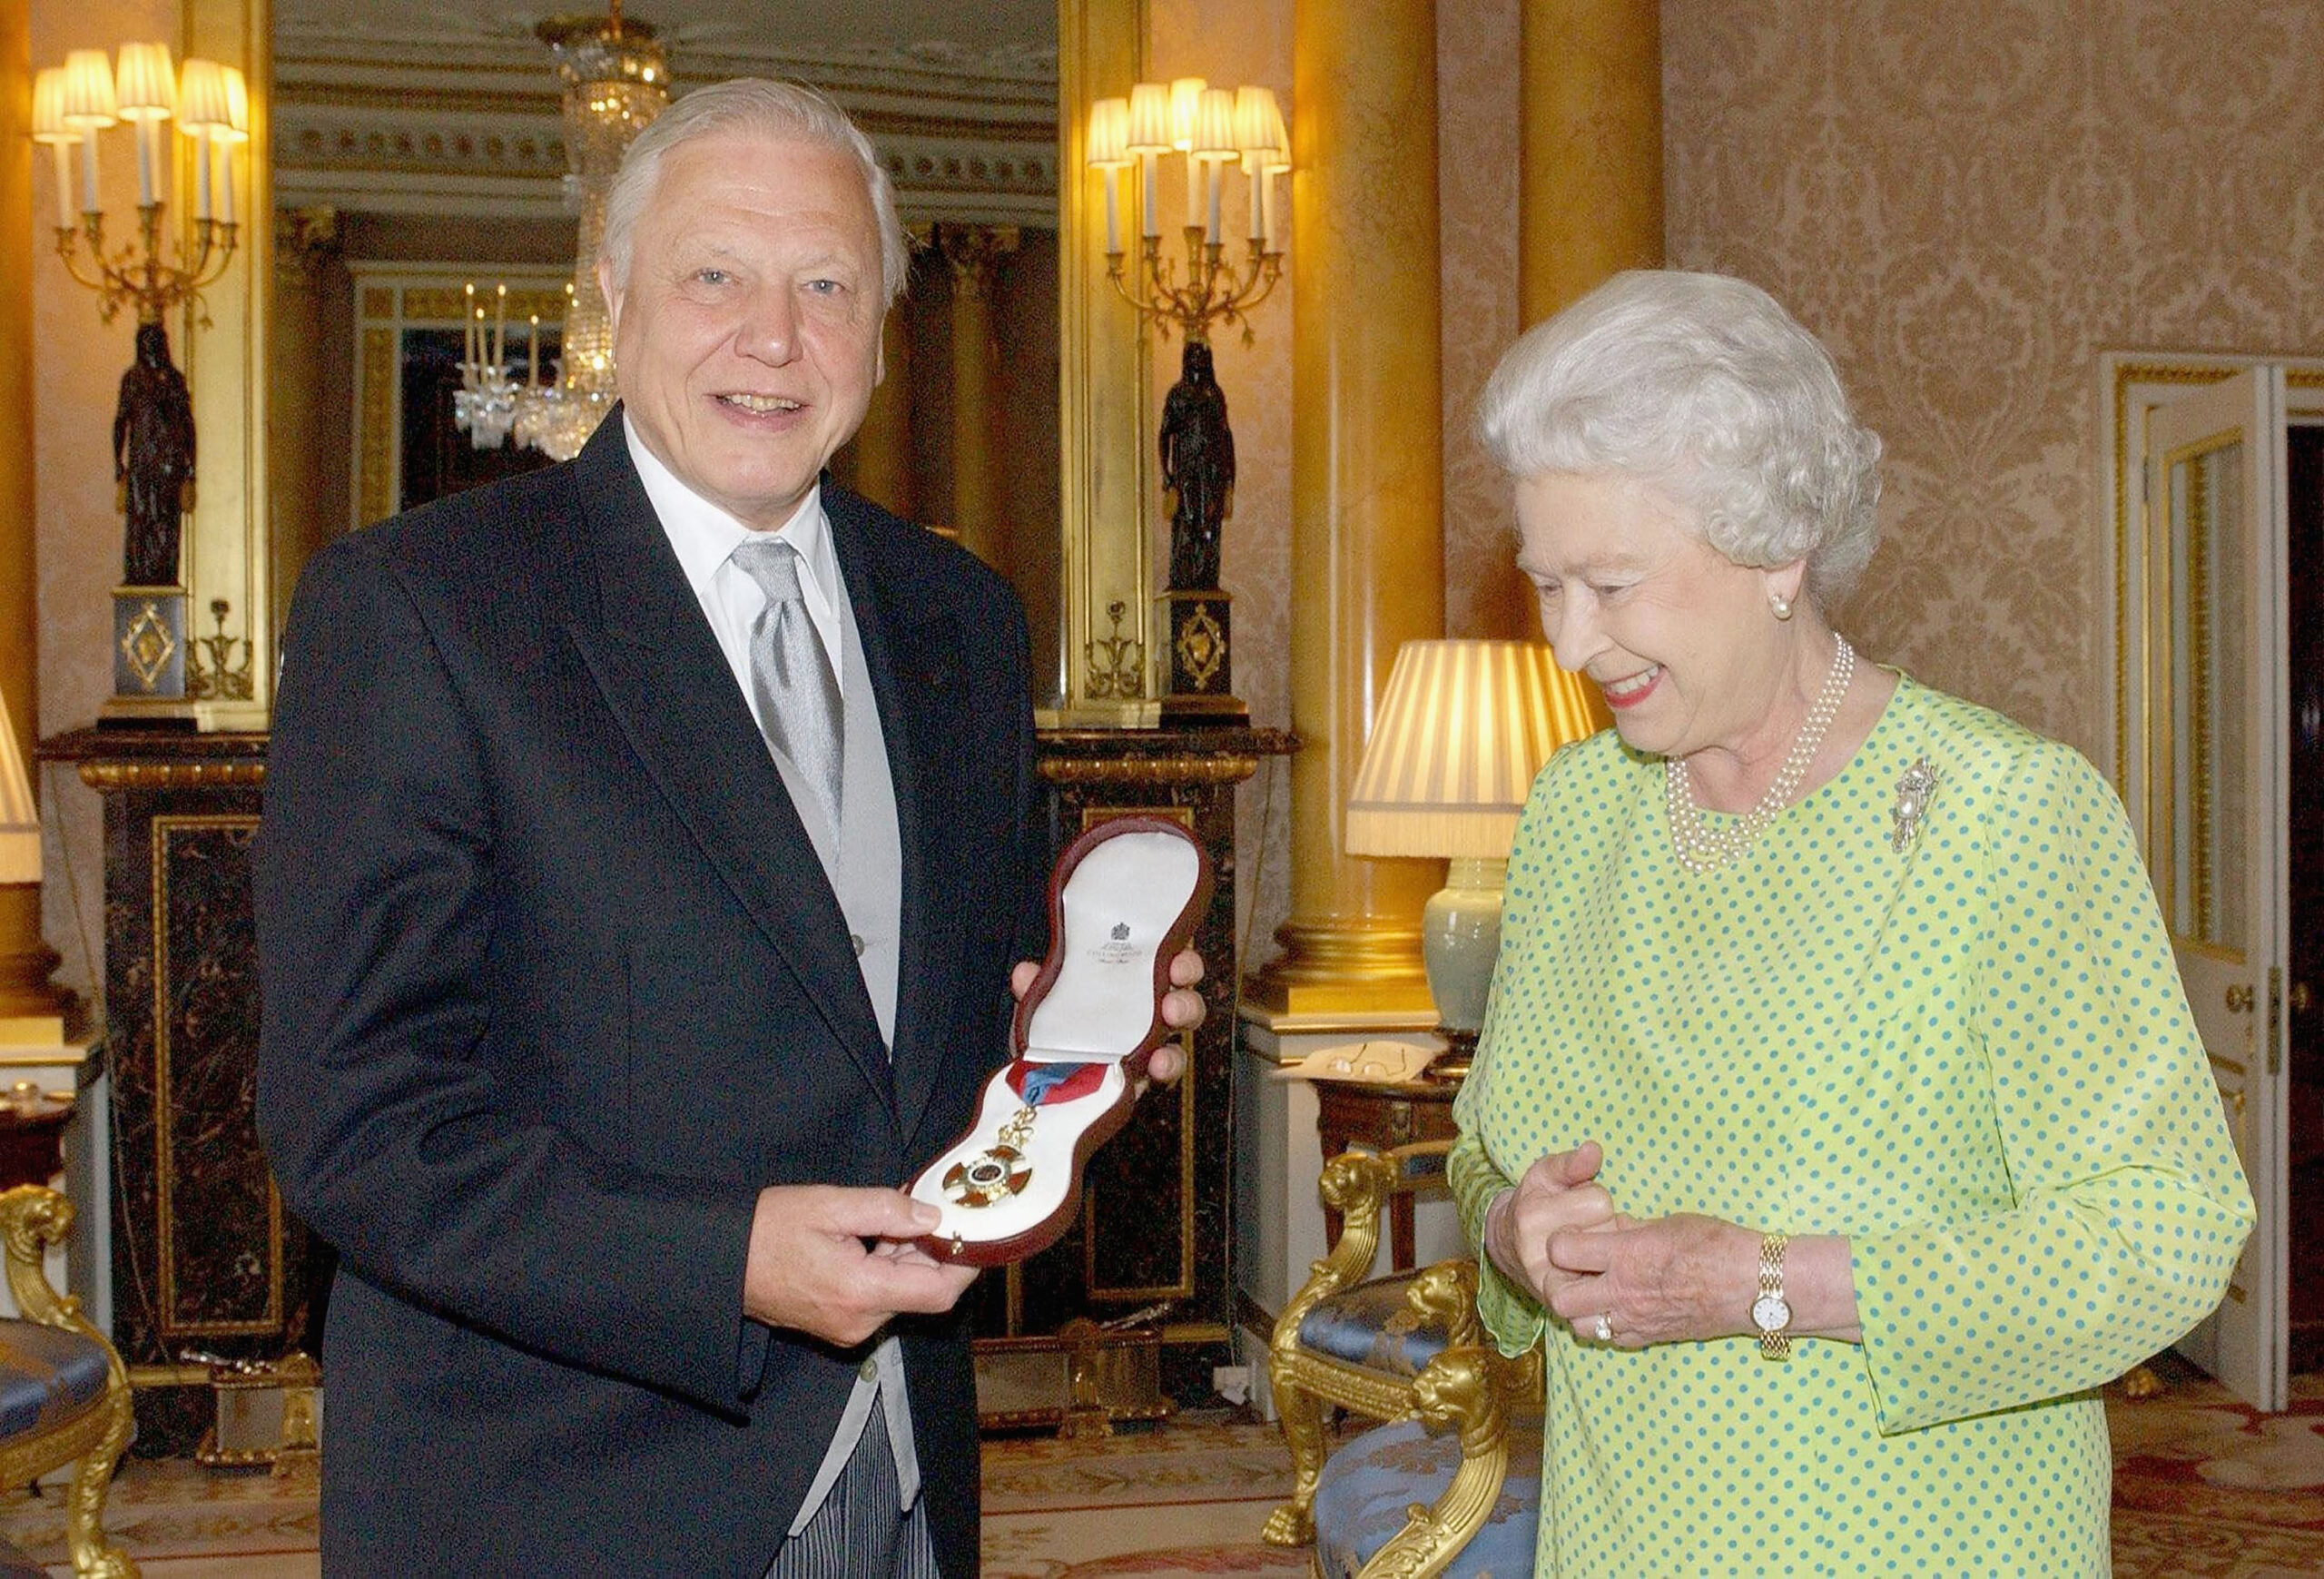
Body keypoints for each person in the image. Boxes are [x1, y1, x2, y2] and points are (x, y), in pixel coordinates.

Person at [255, 79, 1202, 1578]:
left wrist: (1079, 1040)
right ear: (614, 298)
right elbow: (358, 1119)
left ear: (881, 328)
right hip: (560, 1494)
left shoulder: (961, 616)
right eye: (717, 276)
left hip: (904, 1459)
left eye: (826, 284)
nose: (776, 337)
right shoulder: (424, 609)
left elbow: (935, 1017)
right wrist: (728, 1264)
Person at [1451, 269, 2255, 1574]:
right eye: (1546, 583)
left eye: (1610, 582)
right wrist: (1509, 1226)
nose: (1567, 640)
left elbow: (2165, 1228)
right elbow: (1489, 1144)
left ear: (1779, 546)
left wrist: (1768, 1282)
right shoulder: (1572, 813)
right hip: (1619, 1536)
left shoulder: (2004, 816)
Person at [114, 320, 194, 587]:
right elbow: (121, 421)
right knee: (140, 522)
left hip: (170, 464)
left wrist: (191, 466)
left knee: (166, 525)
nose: (149, 346)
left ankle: (164, 573)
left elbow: (187, 424)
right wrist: (118, 462)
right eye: (145, 341)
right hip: (141, 464)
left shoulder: (174, 380)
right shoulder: (132, 379)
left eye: (154, 341)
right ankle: (139, 572)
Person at [1158, 337, 1233, 591]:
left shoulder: (1215, 394)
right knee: (1187, 524)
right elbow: (1164, 434)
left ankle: (1207, 579)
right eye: (1194, 356)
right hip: (1186, 471)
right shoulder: (1178, 394)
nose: (1198, 361)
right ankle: (1183, 579)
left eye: (1203, 356)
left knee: (1210, 526)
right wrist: (1166, 475)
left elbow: (1225, 434)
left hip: (1212, 472)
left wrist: (1230, 478)